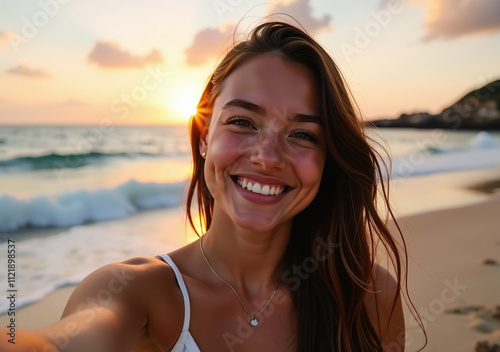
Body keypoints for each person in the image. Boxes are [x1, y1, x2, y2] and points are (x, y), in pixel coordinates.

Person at [3, 20, 422, 351]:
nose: (267, 156)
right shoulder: (139, 292)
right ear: (204, 136)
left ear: (327, 158)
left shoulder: (367, 294)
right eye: (243, 122)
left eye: (303, 134)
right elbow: (57, 343)